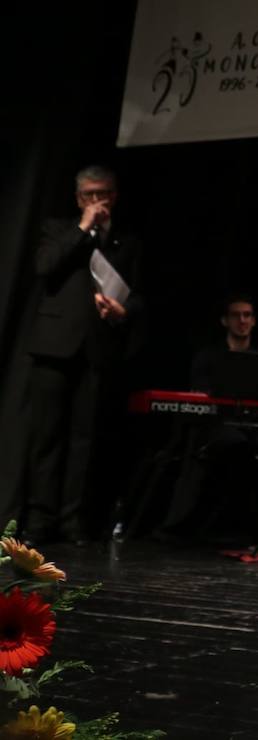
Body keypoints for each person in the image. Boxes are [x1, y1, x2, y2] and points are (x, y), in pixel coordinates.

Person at [19, 165, 144, 544]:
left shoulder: (125, 242)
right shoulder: (58, 230)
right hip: (54, 347)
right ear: (78, 199)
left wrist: (125, 312)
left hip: (97, 349)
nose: (97, 201)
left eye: (103, 194)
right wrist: (82, 227)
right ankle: (40, 520)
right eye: (89, 195)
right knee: (47, 439)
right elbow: (44, 266)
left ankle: (73, 521)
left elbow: (138, 295)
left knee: (83, 441)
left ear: (114, 196)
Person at [159, 294, 258, 556]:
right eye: (237, 315)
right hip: (220, 423)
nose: (243, 320)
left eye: (248, 315)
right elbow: (200, 395)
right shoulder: (209, 356)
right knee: (237, 450)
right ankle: (239, 528)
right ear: (224, 320)